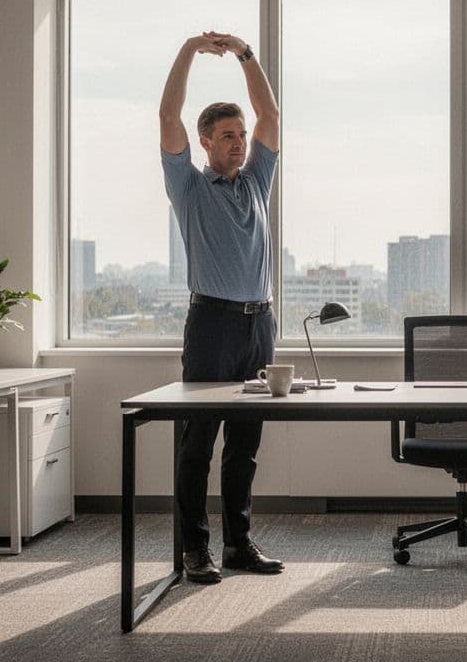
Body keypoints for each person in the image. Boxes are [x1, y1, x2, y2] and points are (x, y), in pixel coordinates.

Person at [159, 30, 283, 583]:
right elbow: (167, 115)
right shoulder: (188, 186)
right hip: (212, 323)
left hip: (260, 325)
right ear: (205, 142)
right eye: (227, 135)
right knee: (197, 444)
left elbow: (270, 115)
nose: (238, 142)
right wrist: (190, 49)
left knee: (245, 445)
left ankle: (238, 544)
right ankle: (195, 550)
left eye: (241, 135)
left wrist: (245, 55)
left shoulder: (256, 181)